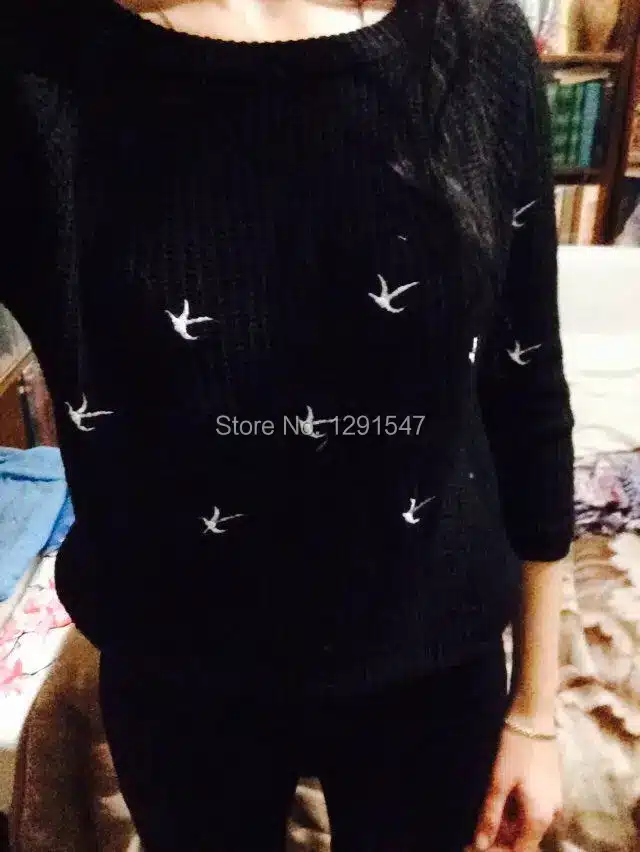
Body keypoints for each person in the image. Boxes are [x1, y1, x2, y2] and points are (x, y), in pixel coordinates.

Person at [2, 0, 574, 849]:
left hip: (436, 662)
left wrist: (536, 709)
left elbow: (525, 385)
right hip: (177, 671)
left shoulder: (473, 39)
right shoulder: (33, 63)